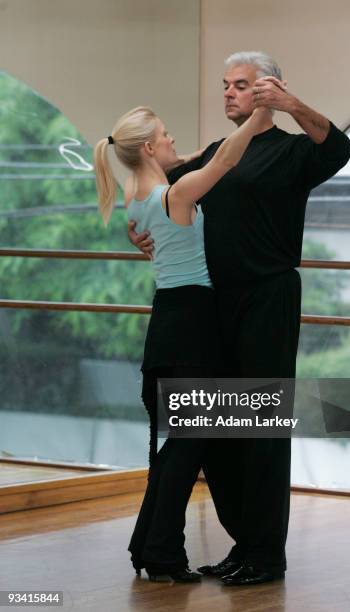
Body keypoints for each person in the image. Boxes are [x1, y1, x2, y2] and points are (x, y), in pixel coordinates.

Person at [128, 51, 350, 586]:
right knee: (217, 432)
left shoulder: (295, 152)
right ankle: (242, 544)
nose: (228, 92)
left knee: (261, 430)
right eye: (226, 84)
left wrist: (290, 105)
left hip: (266, 302)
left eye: (242, 85)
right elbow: (157, 192)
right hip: (211, 308)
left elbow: (339, 146)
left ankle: (266, 554)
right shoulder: (215, 151)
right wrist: (139, 234)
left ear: (268, 89)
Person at [93, 102, 272, 583]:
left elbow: (195, 157)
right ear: (149, 147)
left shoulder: (136, 195)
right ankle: (160, 551)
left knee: (180, 446)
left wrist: (185, 154)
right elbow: (224, 161)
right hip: (192, 323)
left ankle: (154, 548)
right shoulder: (176, 194)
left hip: (168, 322)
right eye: (166, 136)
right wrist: (260, 117)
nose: (175, 142)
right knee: (188, 443)